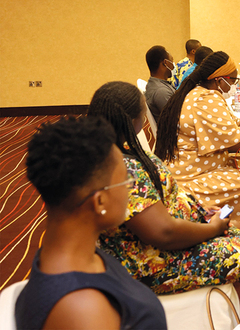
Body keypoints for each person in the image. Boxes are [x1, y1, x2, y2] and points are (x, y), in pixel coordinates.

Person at [87, 81, 240, 329]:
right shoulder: (122, 168)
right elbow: (163, 233)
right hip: (151, 262)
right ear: (134, 120)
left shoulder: (120, 150)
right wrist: (211, 228)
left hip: (158, 243)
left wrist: (201, 212)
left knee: (238, 232)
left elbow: (161, 203)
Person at [16, 116, 167, 330]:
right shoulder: (83, 309)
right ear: (100, 201)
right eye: (126, 181)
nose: (130, 189)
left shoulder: (72, 253)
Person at [155, 51, 240, 242]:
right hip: (191, 177)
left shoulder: (201, 93)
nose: (235, 85)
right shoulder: (205, 99)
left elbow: (238, 124)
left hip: (196, 168)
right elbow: (239, 141)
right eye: (233, 80)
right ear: (219, 80)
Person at [144, 45, 176, 124]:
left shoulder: (156, 84)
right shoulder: (161, 91)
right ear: (165, 63)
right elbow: (177, 120)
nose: (173, 65)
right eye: (172, 61)